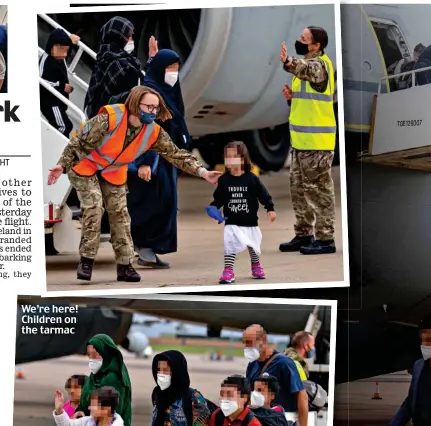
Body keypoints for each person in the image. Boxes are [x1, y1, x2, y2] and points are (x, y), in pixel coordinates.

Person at [47, 86, 222, 283]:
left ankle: (125, 266)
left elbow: (176, 154)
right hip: (85, 167)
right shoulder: (109, 119)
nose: (153, 112)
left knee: (120, 214)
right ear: (134, 104)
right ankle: (86, 261)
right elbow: (77, 144)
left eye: (156, 108)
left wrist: (203, 172)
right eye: (149, 107)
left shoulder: (153, 131)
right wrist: (62, 165)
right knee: (94, 206)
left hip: (112, 172)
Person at [125, 49, 191, 269]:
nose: (174, 73)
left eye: (176, 68)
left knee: (164, 203)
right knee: (152, 203)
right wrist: (145, 160)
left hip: (166, 157)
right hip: (153, 159)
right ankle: (144, 249)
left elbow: (177, 114)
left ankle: (149, 250)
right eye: (170, 68)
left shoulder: (166, 89)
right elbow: (146, 129)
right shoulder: (150, 93)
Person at [279, 27, 337, 256]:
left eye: (304, 39)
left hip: (317, 144)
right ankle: (304, 233)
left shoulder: (320, 65)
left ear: (316, 46)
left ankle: (325, 239)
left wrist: (288, 61)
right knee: (299, 190)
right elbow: (308, 103)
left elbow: (306, 68)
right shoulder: (305, 70)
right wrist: (291, 99)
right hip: (301, 142)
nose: (299, 41)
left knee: (319, 192)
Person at [209, 141, 276, 285]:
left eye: (234, 156)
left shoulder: (252, 179)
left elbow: (263, 195)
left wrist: (270, 208)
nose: (230, 160)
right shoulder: (224, 180)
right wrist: (213, 207)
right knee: (230, 245)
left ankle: (256, 265)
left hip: (250, 220)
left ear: (243, 159)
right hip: (231, 221)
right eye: (227, 157)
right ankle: (228, 270)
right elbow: (219, 198)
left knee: (253, 246)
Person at [84, 16, 155, 118]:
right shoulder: (123, 67)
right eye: (129, 37)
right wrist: (152, 60)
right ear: (119, 37)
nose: (132, 40)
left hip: (95, 116)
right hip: (110, 123)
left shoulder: (104, 55)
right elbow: (141, 86)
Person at [39, 29, 80, 137]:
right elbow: (41, 81)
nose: (64, 54)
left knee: (67, 126)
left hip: (58, 101)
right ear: (52, 47)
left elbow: (64, 47)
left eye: (66, 50)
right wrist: (61, 86)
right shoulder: (46, 60)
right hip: (50, 103)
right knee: (64, 127)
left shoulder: (59, 56)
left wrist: (70, 41)